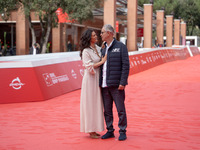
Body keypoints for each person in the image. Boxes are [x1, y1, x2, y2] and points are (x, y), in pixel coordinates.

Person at [100, 24, 130, 141]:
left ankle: (122, 131)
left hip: (117, 86)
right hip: (104, 85)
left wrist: (123, 82)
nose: (101, 34)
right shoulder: (103, 48)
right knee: (107, 110)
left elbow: (125, 66)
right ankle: (110, 130)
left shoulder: (121, 47)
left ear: (110, 33)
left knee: (120, 109)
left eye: (102, 32)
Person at [80, 29, 107, 139]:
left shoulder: (98, 48)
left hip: (98, 79)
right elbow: (89, 66)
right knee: (90, 104)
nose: (96, 36)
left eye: (96, 35)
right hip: (90, 80)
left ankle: (95, 128)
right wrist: (103, 61)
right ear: (89, 38)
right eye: (94, 35)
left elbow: (102, 54)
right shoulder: (86, 51)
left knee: (97, 104)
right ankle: (90, 130)